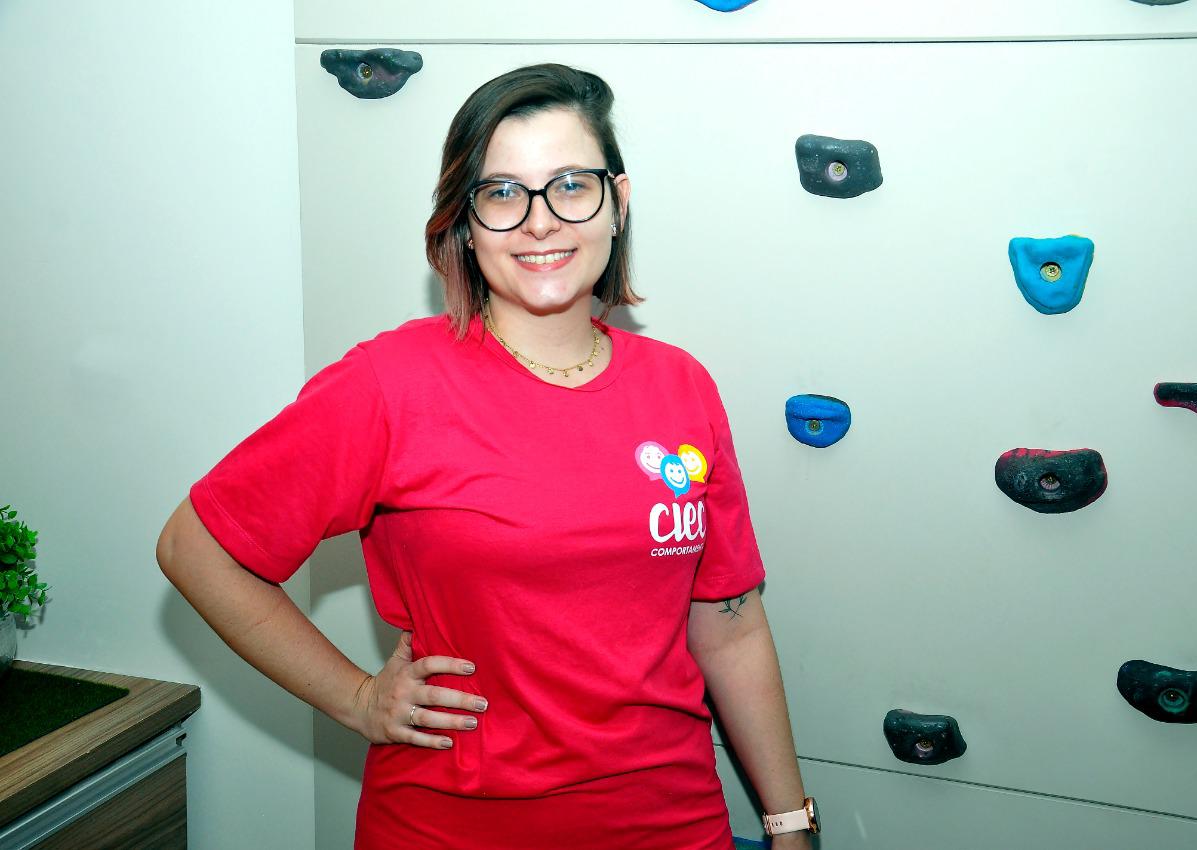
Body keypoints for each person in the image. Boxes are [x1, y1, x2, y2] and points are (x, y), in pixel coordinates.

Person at [156, 62, 816, 849]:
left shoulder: (682, 388)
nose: (541, 222)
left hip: (671, 825)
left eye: (570, 185)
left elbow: (730, 629)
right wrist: (357, 698)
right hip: (447, 826)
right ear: (465, 223)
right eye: (503, 193)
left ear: (618, 202)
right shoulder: (390, 384)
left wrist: (789, 823)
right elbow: (196, 548)